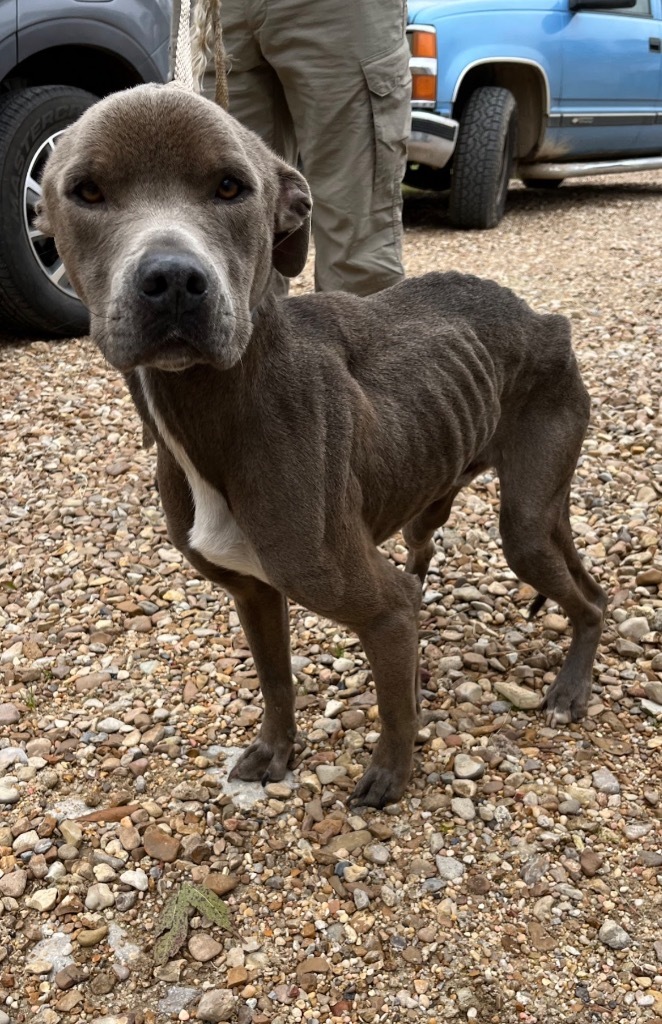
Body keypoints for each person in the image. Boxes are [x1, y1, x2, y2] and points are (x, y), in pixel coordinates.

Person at [194, 0, 411, 296]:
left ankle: (353, 344)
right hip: (216, 9)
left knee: (357, 256)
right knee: (223, 239)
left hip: (337, 12)